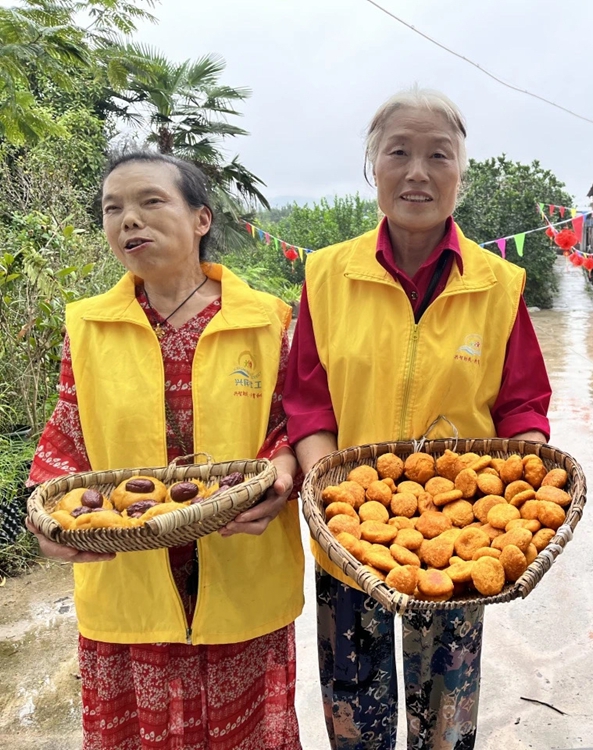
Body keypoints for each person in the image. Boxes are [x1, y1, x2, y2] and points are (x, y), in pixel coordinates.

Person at [285, 87, 551, 750]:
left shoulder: (498, 283)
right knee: (355, 715)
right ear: (371, 166)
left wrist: (524, 492)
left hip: (461, 543)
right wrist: (330, 499)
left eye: (438, 155)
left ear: (462, 172)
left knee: (447, 713)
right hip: (349, 536)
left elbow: (521, 402)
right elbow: (308, 399)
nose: (417, 172)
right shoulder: (326, 275)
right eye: (398, 153)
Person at [25, 151, 304, 750]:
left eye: (151, 202)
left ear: (201, 219)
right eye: (113, 208)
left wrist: (282, 477)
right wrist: (47, 518)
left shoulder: (266, 321)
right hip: (129, 583)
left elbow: (293, 425)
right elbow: (66, 438)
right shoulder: (89, 327)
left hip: (240, 569)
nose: (129, 220)